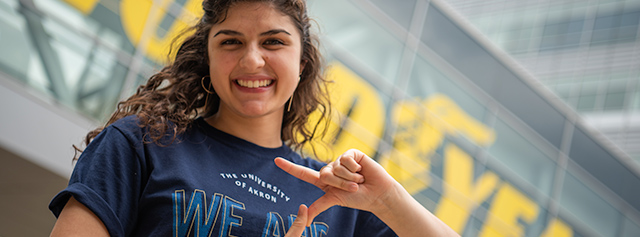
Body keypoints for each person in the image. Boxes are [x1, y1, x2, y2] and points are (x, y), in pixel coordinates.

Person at [49, 0, 459, 236]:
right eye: (231, 41)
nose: (251, 59)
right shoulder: (139, 144)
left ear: (301, 65)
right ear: (207, 59)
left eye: (273, 42)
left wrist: (388, 201)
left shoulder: (344, 199)